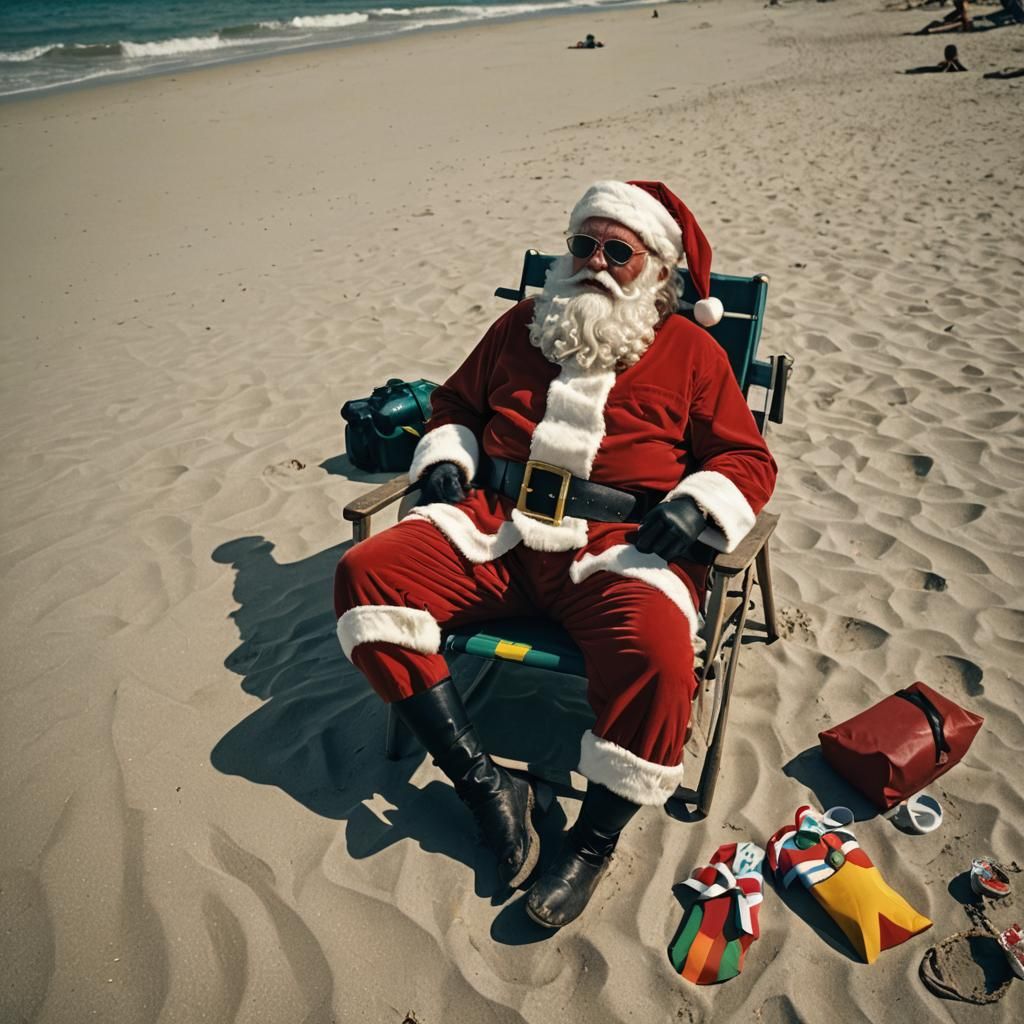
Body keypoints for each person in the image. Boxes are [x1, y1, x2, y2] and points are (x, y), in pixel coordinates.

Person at [333, 180, 777, 929]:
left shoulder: (693, 352)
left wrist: (697, 504)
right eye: (583, 245)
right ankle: (485, 786)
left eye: (618, 251)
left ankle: (593, 843)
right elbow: (456, 406)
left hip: (615, 550)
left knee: (663, 658)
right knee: (367, 577)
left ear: (660, 269)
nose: (596, 262)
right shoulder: (521, 325)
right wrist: (449, 454)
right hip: (495, 528)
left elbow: (747, 459)